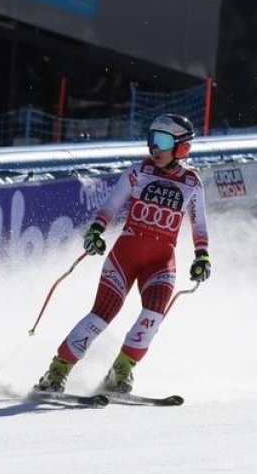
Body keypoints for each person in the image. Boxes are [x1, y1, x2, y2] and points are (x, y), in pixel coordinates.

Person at [35, 113, 212, 394]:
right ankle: (56, 372)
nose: (154, 148)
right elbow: (109, 207)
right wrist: (95, 232)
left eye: (163, 141)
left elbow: (199, 223)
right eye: (152, 139)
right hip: (125, 257)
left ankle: (121, 372)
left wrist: (202, 256)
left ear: (182, 147)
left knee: (153, 316)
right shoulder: (137, 171)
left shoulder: (192, 182)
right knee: (101, 316)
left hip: (160, 262)